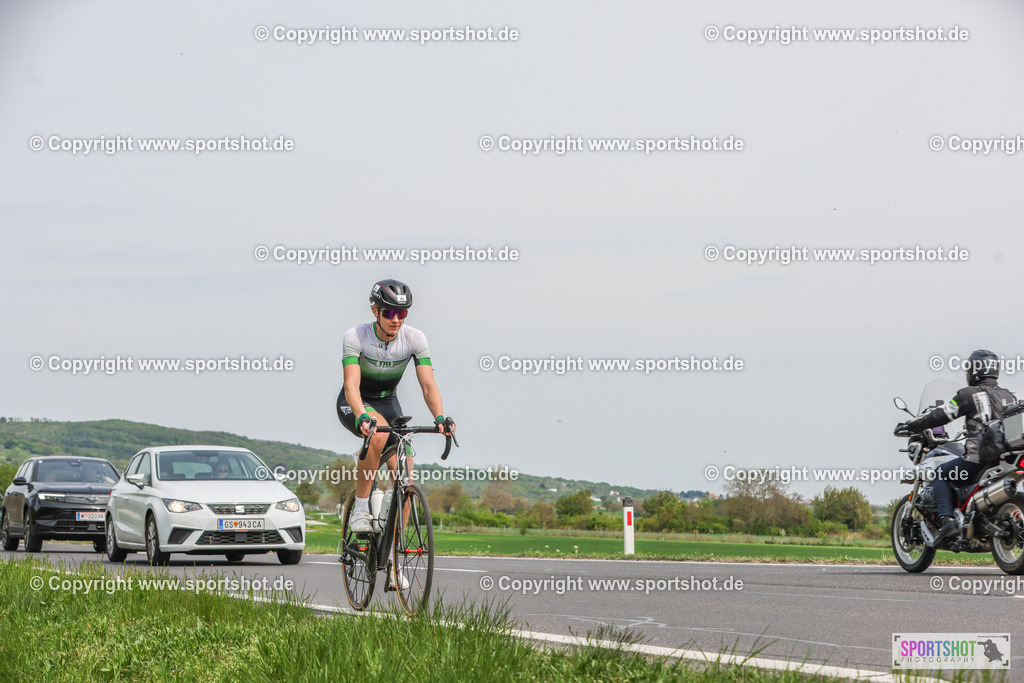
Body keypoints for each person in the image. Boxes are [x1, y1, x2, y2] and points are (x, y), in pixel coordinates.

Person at [337, 279, 454, 534]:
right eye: (389, 312)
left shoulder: (415, 338)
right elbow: (351, 385)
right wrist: (361, 416)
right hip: (356, 401)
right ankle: (360, 509)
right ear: (375, 311)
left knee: (405, 474)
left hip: (388, 401)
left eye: (401, 313)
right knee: (378, 434)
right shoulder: (356, 336)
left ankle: (392, 556)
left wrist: (440, 417)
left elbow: (428, 385)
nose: (396, 320)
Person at [895, 349, 1017, 541]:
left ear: (973, 371)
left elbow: (941, 414)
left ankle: (947, 522)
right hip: (1004, 460)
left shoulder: (968, 395)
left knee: (941, 473)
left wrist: (913, 425)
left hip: (978, 460)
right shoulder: (1008, 396)